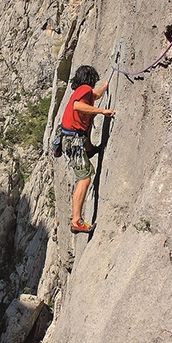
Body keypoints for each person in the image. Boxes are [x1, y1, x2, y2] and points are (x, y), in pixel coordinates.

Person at [61, 65, 115, 233]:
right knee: (85, 179)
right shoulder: (84, 89)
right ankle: (76, 220)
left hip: (73, 138)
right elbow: (78, 106)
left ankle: (89, 148)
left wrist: (106, 85)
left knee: (86, 125)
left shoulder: (85, 92)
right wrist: (101, 111)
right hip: (73, 140)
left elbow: (96, 95)